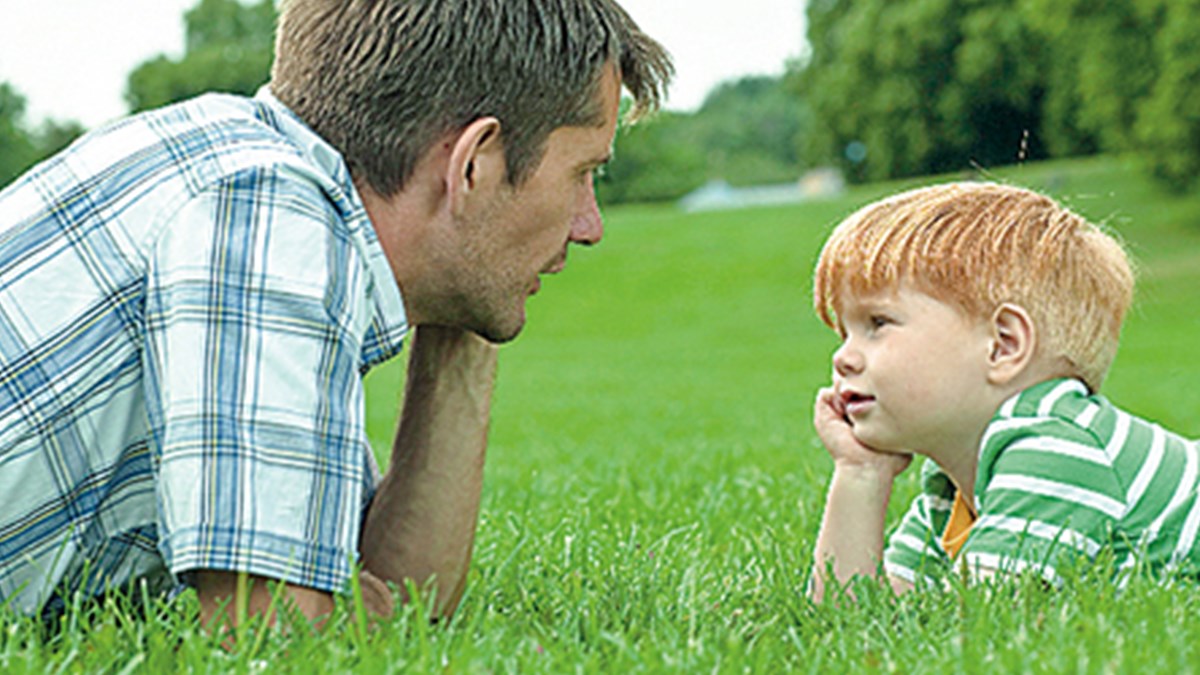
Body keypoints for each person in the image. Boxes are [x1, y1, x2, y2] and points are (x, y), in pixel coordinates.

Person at [0, 0, 671, 627]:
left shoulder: (277, 196)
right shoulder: (265, 211)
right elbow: (264, 629)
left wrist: (465, 319)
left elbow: (403, 593)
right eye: (586, 172)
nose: (590, 225)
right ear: (473, 164)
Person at [806, 182, 1200, 600]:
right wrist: (860, 473)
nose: (843, 358)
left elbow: (976, 624)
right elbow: (855, 617)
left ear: (1004, 345)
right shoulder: (954, 484)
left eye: (877, 324)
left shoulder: (1058, 452)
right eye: (845, 333)